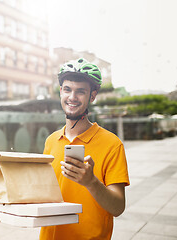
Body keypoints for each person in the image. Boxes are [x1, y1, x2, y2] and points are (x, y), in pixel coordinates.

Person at [40, 58, 130, 240]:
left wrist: (91, 182)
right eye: (67, 89)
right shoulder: (51, 140)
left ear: (92, 96)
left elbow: (118, 207)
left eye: (80, 91)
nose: (72, 97)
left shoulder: (112, 144)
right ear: (60, 92)